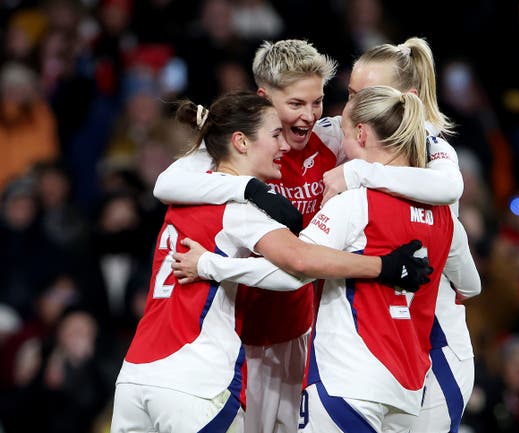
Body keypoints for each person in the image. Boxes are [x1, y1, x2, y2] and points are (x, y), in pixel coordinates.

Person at [111, 91, 430, 433]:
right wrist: (384, 266)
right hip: (195, 382)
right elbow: (299, 262)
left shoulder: (185, 194)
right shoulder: (240, 212)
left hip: (135, 377)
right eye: (275, 135)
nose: (284, 147)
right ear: (241, 142)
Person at [172, 86, 481, 432]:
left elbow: (294, 269)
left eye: (344, 134)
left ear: (361, 134)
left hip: (346, 382)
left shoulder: (354, 204)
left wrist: (209, 264)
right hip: (407, 391)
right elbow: (469, 287)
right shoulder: (446, 220)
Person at [321, 37, 479, 433]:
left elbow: (449, 189)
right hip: (375, 348)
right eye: (352, 94)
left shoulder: (431, 146)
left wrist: (358, 173)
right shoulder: (351, 132)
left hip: (433, 343)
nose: (353, 106)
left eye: (368, 95)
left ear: (406, 98)